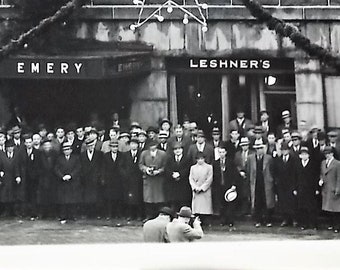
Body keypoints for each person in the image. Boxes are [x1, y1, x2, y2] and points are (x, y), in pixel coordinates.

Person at [246, 141, 275, 227]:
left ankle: (268, 220)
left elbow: (272, 170)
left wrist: (271, 180)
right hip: (255, 182)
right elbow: (248, 170)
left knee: (267, 202)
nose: (259, 150)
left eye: (261, 148)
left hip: (266, 182)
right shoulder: (250, 158)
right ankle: (258, 220)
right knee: (257, 202)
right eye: (257, 148)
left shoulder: (269, 158)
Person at [139, 141, 167, 220]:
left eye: (154, 145)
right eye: (151, 145)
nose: (152, 147)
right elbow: (140, 164)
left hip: (158, 179)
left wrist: (158, 171)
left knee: (159, 198)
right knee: (148, 198)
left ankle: (159, 216)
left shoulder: (162, 154)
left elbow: (165, 166)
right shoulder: (144, 153)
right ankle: (149, 216)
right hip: (148, 179)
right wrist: (146, 169)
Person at [54, 141, 81, 224]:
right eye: (65, 149)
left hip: (72, 182)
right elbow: (56, 169)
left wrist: (71, 175)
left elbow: (78, 168)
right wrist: (62, 176)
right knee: (63, 201)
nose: (67, 151)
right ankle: (63, 216)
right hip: (63, 182)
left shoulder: (76, 158)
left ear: (71, 150)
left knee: (72, 200)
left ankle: (72, 216)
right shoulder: (59, 158)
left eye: (68, 149)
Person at [293, 146, 319, 230]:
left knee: (311, 208)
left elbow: (316, 177)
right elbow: (295, 177)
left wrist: (317, 188)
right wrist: (295, 188)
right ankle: (304, 224)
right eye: (302, 154)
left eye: (305, 154)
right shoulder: (297, 164)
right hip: (301, 189)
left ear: (308, 155)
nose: (304, 156)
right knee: (302, 207)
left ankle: (313, 224)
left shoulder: (313, 164)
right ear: (300, 156)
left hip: (310, 189)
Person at [273, 141, 298, 227]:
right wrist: (277, 183)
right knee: (283, 203)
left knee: (292, 203)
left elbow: (295, 174)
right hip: (281, 185)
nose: (284, 151)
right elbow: (275, 172)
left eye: (286, 150)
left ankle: (294, 219)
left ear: (289, 150)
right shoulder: (278, 160)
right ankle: (285, 219)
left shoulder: (294, 159)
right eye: (283, 150)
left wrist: (294, 186)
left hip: (290, 185)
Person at [212, 142, 237, 226]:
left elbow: (234, 174)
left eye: (223, 152)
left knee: (230, 204)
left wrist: (234, 185)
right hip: (219, 186)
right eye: (220, 152)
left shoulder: (230, 162)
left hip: (228, 186)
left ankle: (230, 220)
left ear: (226, 152)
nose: (221, 154)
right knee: (221, 204)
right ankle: (222, 220)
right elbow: (214, 176)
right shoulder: (215, 163)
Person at [80, 137, 103, 218]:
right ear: (86, 146)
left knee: (96, 196)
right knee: (86, 197)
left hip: (95, 178)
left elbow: (101, 166)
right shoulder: (82, 155)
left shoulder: (99, 154)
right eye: (89, 146)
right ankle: (87, 213)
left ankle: (96, 213)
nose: (91, 147)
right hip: (86, 178)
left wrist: (99, 176)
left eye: (92, 145)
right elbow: (81, 167)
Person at [101, 139, 124, 219]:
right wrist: (103, 178)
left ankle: (118, 213)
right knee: (109, 198)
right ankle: (109, 214)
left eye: (116, 147)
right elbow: (103, 168)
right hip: (109, 179)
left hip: (118, 180)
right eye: (113, 147)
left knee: (118, 197)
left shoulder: (121, 155)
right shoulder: (106, 156)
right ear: (110, 147)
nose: (114, 148)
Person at [121, 138, 144, 221]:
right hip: (128, 180)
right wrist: (125, 174)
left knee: (138, 198)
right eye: (131, 144)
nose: (133, 146)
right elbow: (121, 166)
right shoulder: (125, 154)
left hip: (138, 179)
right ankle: (130, 215)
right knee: (129, 198)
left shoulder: (141, 154)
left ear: (138, 145)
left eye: (135, 144)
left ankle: (139, 215)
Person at [164, 142, 191, 212]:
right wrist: (172, 174)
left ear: (182, 149)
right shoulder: (170, 159)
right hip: (173, 185)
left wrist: (180, 174)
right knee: (173, 203)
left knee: (183, 202)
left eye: (179, 148)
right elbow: (166, 169)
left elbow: (188, 169)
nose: (177, 150)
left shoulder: (187, 158)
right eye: (175, 149)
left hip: (183, 184)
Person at [319, 146, 340, 233]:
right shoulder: (323, 163)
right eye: (326, 154)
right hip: (326, 188)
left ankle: (337, 226)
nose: (327, 155)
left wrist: (338, 188)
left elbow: (339, 177)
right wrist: (321, 180)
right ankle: (331, 224)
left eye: (328, 153)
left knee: (335, 209)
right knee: (328, 209)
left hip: (333, 187)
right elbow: (322, 173)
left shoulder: (337, 163)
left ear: (332, 154)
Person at [189, 152, 213, 226]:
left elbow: (210, 178)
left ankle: (205, 221)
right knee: (196, 207)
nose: (200, 160)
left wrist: (202, 188)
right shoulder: (193, 168)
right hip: (196, 189)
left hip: (205, 190)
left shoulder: (209, 167)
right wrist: (195, 187)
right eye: (198, 159)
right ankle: (197, 220)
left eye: (202, 159)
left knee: (205, 206)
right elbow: (191, 178)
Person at [37, 138, 59, 219]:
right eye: (45, 145)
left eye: (48, 145)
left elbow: (57, 164)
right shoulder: (39, 154)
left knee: (53, 196)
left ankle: (53, 213)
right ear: (43, 146)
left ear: (51, 146)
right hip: (43, 178)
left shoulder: (55, 153)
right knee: (43, 197)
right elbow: (37, 166)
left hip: (53, 177)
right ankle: (43, 213)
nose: (47, 146)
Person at [0, 139, 21, 217]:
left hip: (13, 178)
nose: (10, 148)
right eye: (8, 147)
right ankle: (6, 211)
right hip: (5, 178)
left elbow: (18, 167)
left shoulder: (17, 155)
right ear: (6, 148)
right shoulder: (2, 155)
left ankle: (14, 211)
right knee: (4, 195)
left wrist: (18, 176)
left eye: (11, 147)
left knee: (14, 195)